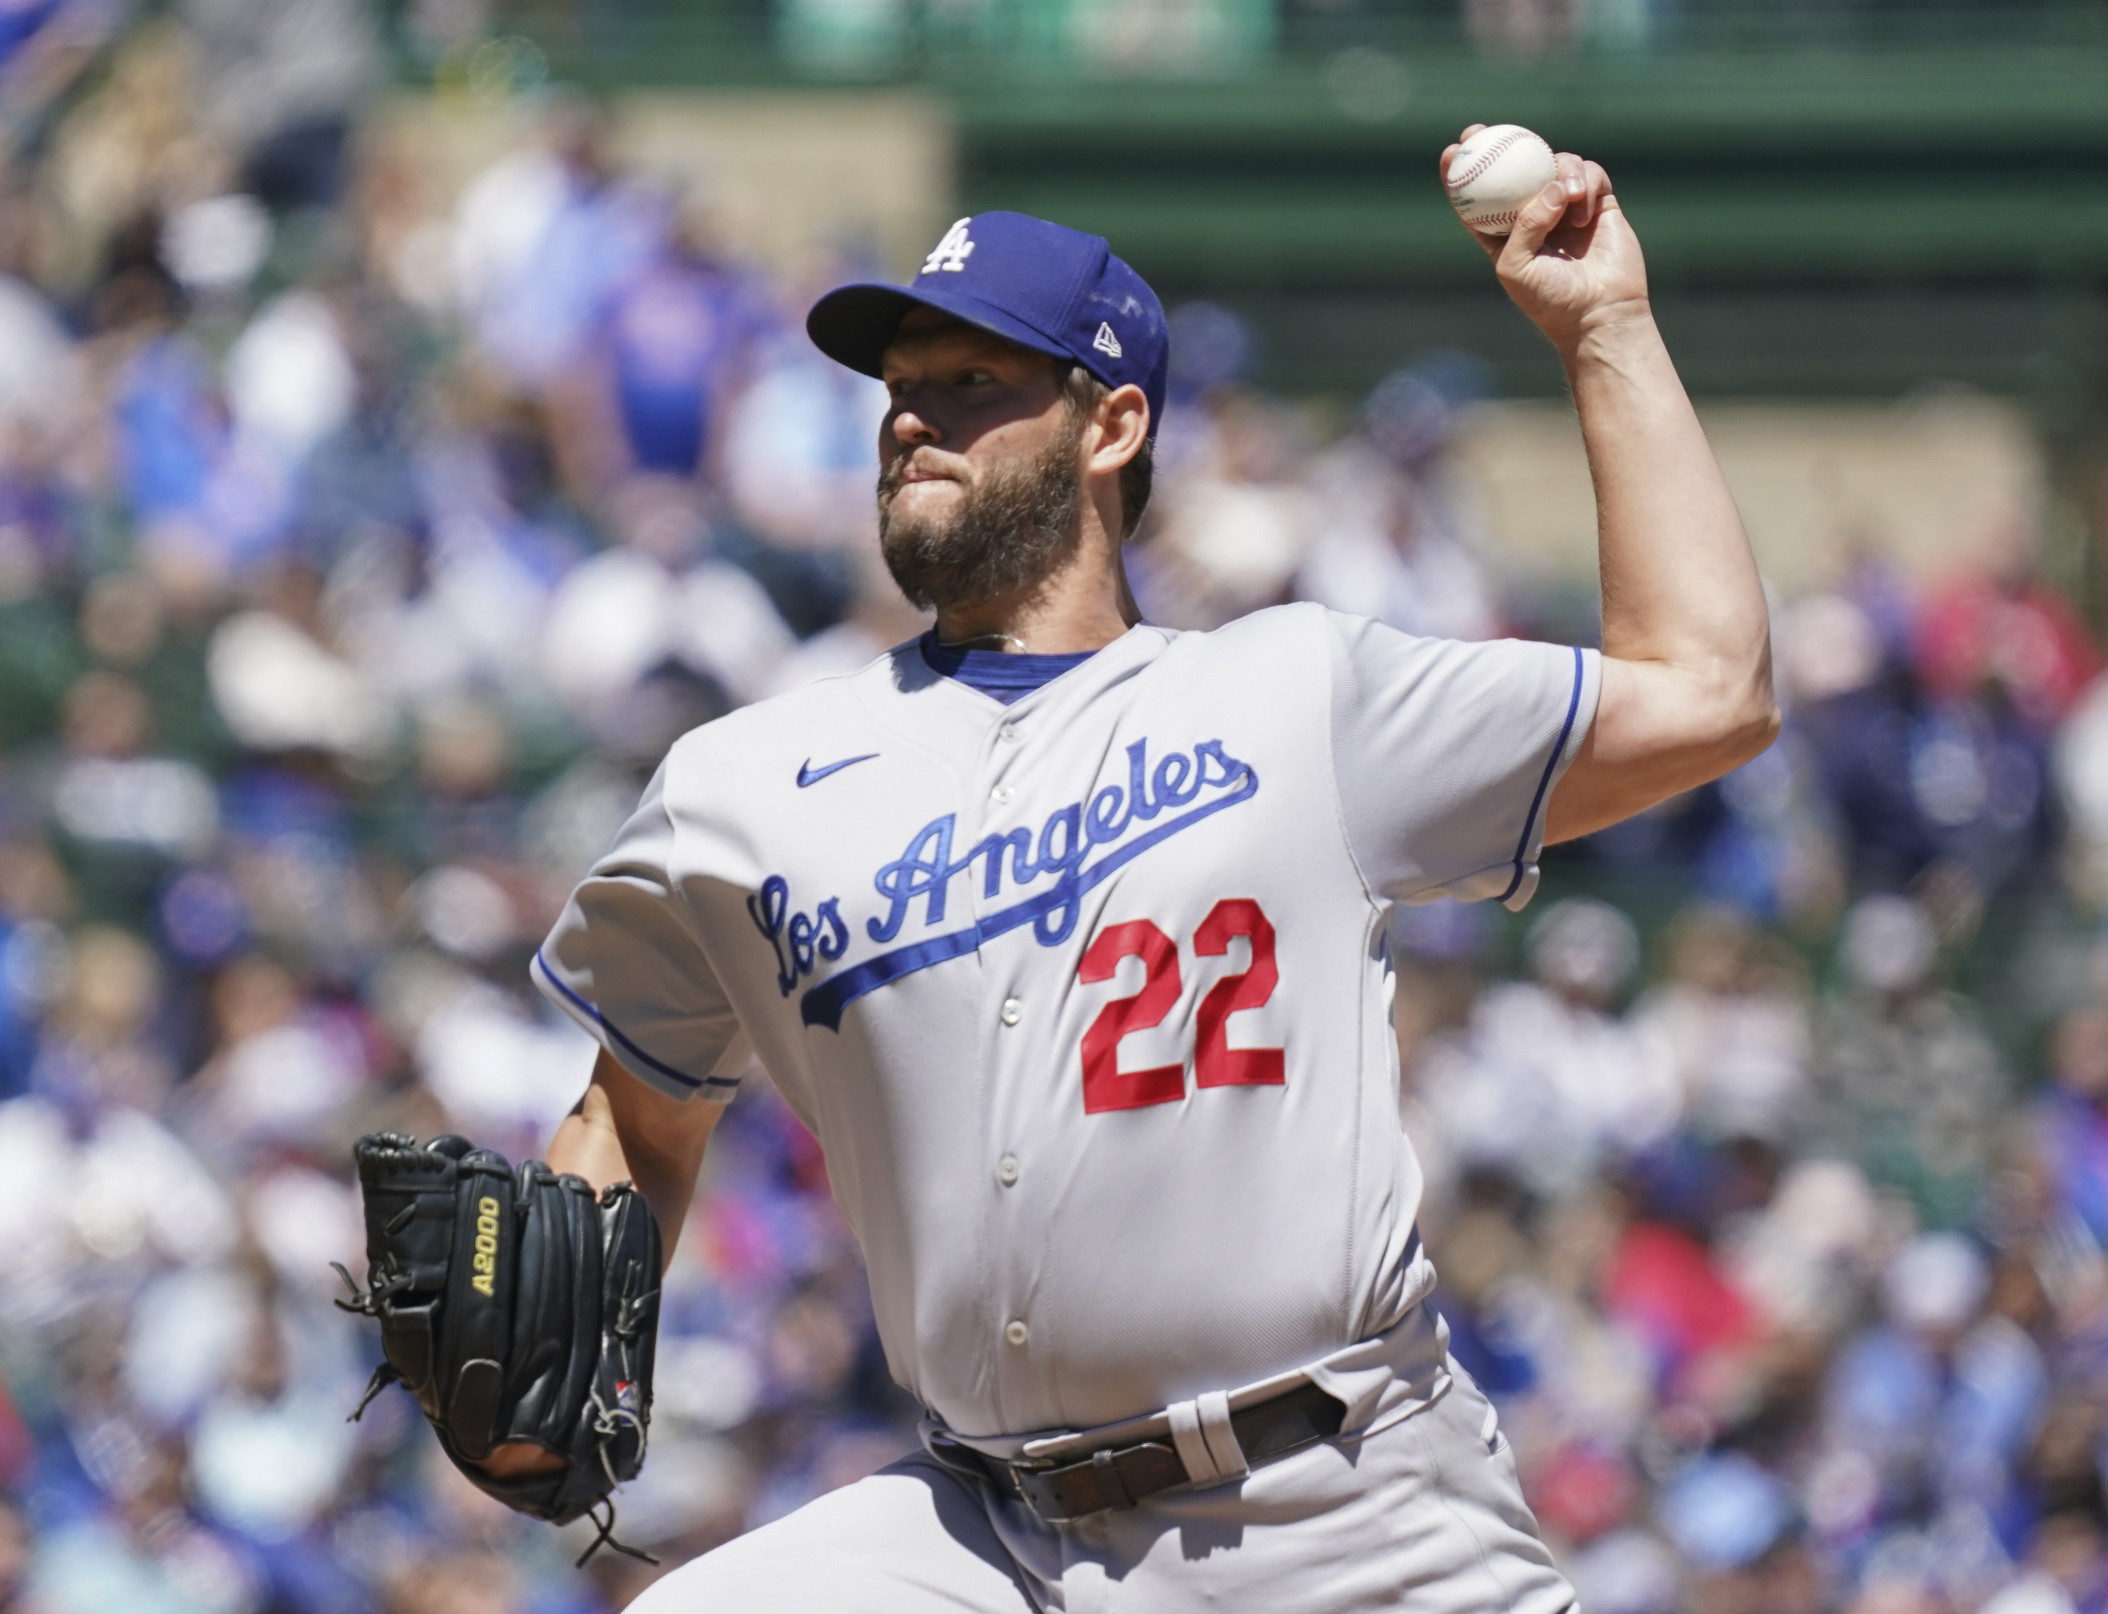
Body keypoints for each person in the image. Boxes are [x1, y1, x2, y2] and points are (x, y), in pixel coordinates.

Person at [503, 127, 1777, 1610]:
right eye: (899, 390)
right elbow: (635, 1117)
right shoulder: (741, 786)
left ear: (1110, 427)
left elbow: (1706, 691)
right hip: (989, 1536)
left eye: (971, 385)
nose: (911, 420)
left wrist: (1606, 328)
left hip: (1336, 1506)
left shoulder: (1300, 693)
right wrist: (552, 1340)